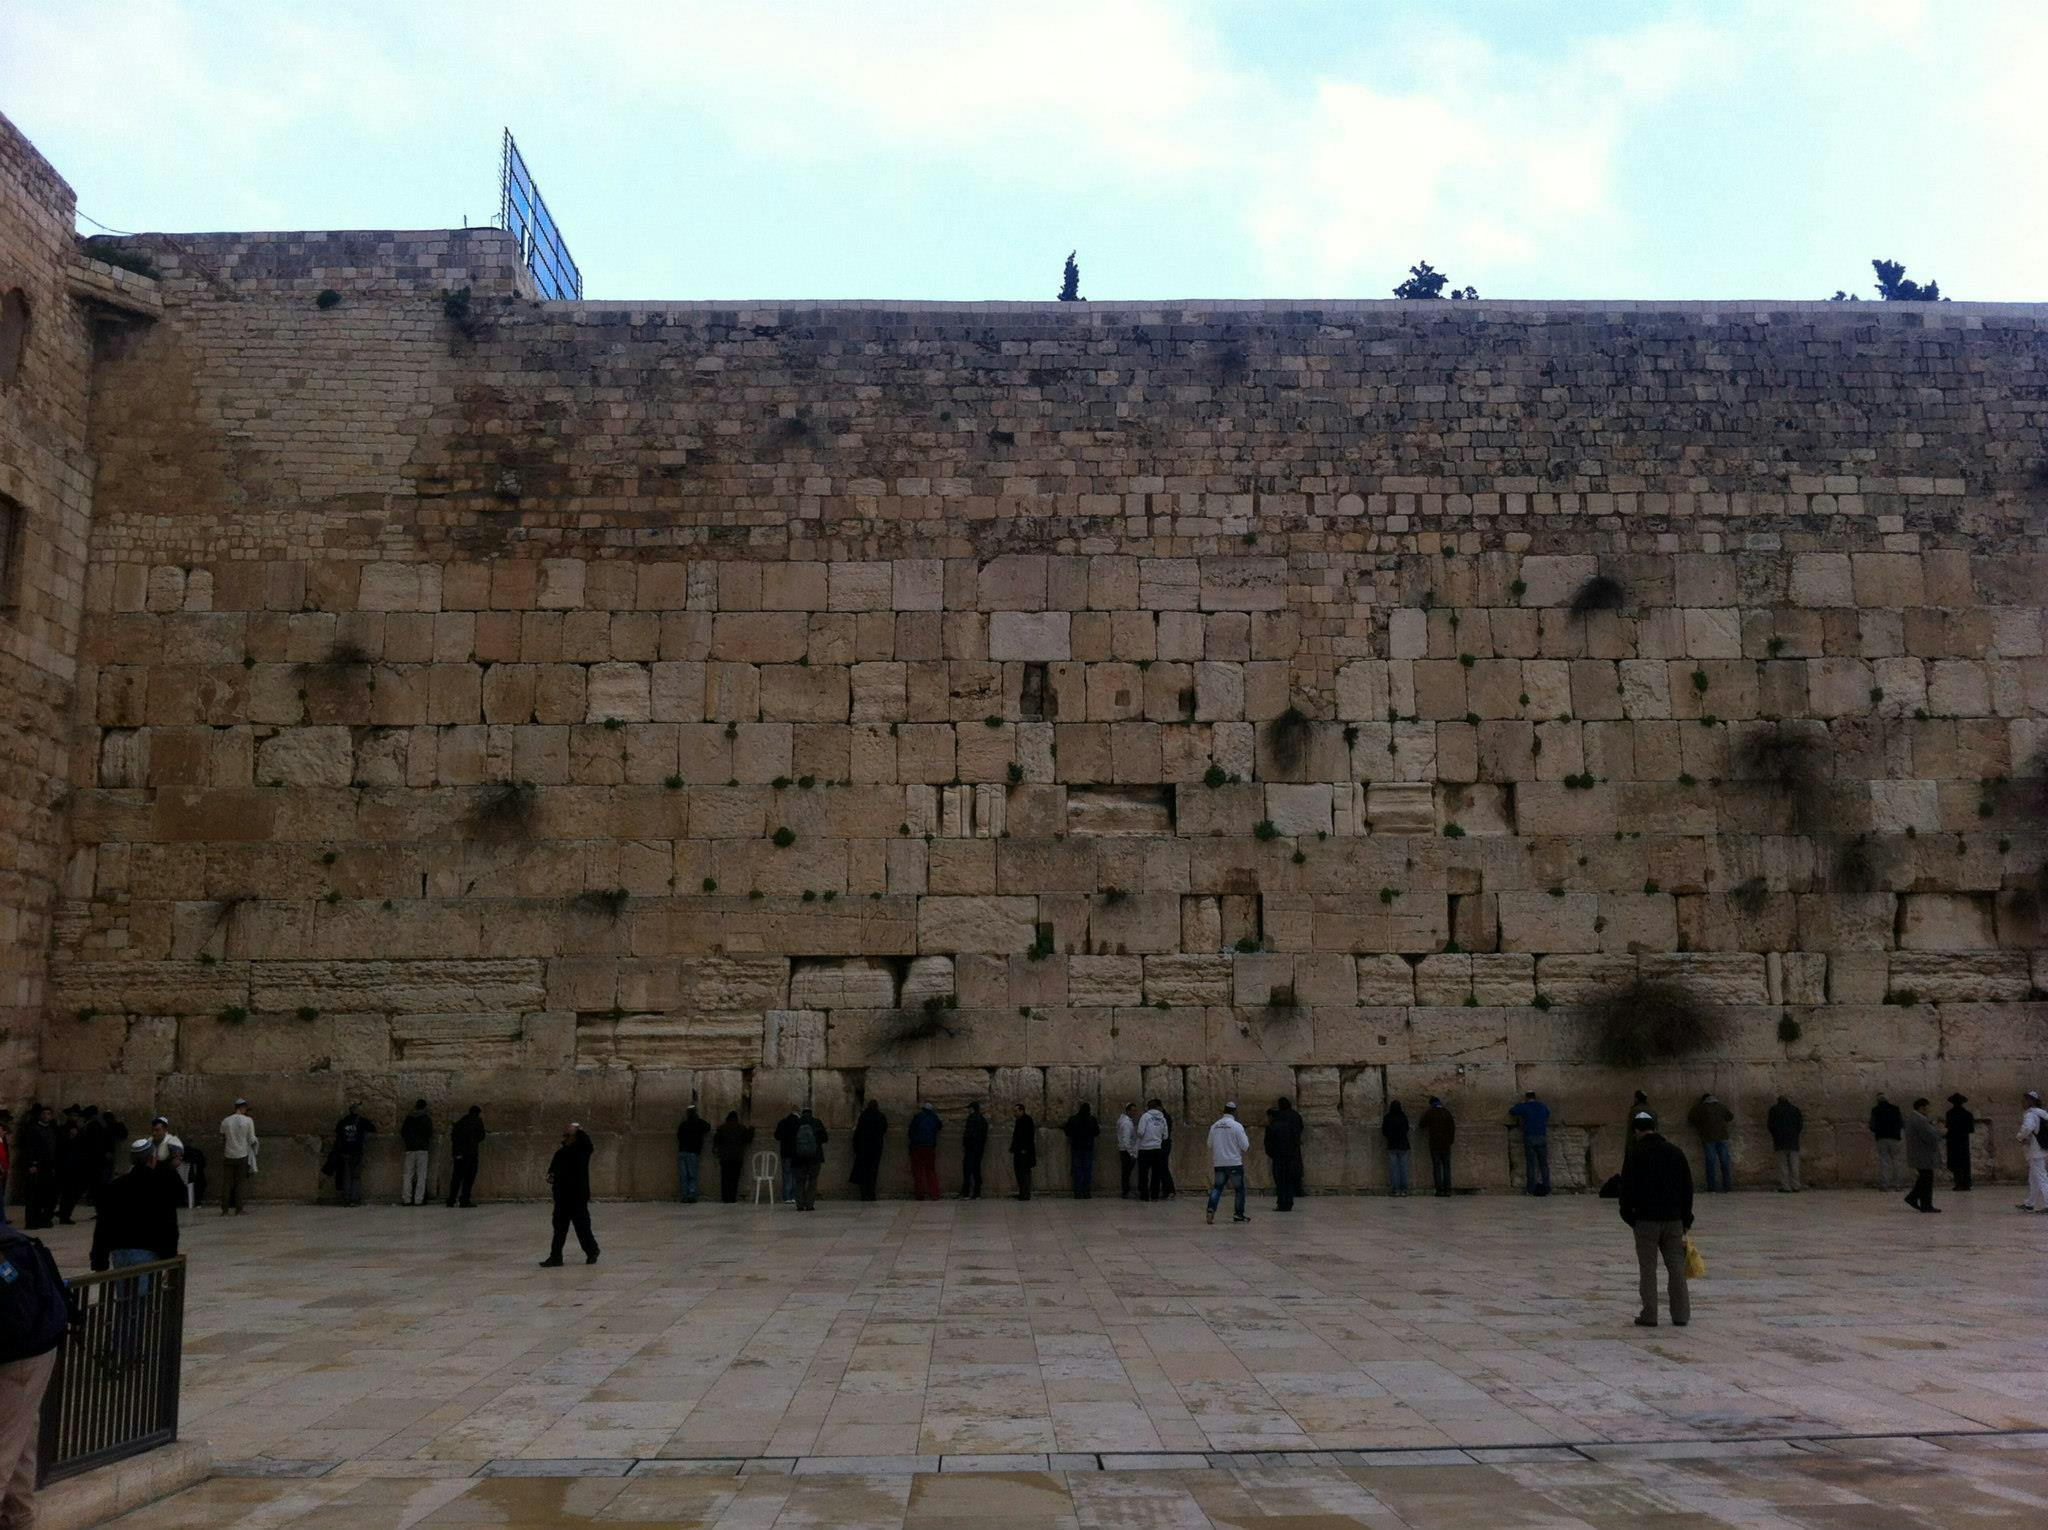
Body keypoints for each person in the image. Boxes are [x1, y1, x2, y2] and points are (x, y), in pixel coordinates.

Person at [0, 1216, 69, 1529]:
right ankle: (20, 1518)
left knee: (6, 1440)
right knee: (20, 1436)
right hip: (30, 1348)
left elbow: (17, 1319)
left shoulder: (6, 1252)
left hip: (22, 1354)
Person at [1619, 1112, 1694, 1328]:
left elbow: (1626, 1190)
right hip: (1673, 1220)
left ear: (1636, 1130)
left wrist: (1630, 1217)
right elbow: (1687, 1189)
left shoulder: (1635, 1154)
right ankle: (1681, 1315)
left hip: (1645, 1221)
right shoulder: (1675, 1152)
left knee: (1648, 1269)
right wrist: (1686, 1219)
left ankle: (1650, 1314)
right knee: (1677, 1268)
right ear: (1655, 1128)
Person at [91, 1139, 180, 1272]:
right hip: (148, 1250)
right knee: (145, 1292)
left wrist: (99, 1260)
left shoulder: (116, 1186)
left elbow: (103, 1223)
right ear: (151, 1159)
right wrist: (169, 1256)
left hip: (120, 1251)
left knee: (124, 1292)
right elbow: (168, 1222)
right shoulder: (160, 1186)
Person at [539, 1122, 599, 1266]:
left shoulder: (581, 1152)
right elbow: (552, 1171)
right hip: (562, 1197)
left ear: (576, 1137)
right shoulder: (561, 1153)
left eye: (568, 1135)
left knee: (582, 1227)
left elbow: (588, 1145)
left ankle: (592, 1251)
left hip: (577, 1196)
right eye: (564, 1135)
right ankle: (555, 1256)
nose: (564, 1138)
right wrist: (551, 1176)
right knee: (559, 1228)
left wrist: (579, 1130)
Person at [1205, 1102, 1251, 1225]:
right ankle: (1238, 1214)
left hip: (1219, 1163)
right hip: (1234, 1162)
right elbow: (1245, 1146)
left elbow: (1209, 1144)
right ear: (1234, 1112)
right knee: (1239, 1189)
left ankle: (1211, 1209)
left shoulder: (1214, 1126)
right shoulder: (1237, 1126)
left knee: (1217, 1188)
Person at [18, 1105, 57, 1230]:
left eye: (48, 1114)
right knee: (33, 1195)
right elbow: (29, 1147)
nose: (46, 1116)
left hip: (47, 1166)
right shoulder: (34, 1129)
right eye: (44, 1114)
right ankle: (31, 1221)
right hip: (37, 1165)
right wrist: (31, 1163)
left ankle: (42, 1219)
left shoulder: (51, 1130)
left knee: (44, 1195)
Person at [1687, 1092, 1734, 1192]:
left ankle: (1712, 1187)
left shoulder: (1700, 1108)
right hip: (1722, 1137)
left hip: (1708, 1138)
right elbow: (1730, 1117)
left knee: (1711, 1163)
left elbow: (1691, 1120)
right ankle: (1728, 1187)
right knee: (1725, 1162)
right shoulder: (1721, 1106)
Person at [1507, 1090, 1551, 1196]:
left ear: (1526, 1098)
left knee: (1531, 1164)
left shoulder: (1525, 1106)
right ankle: (1547, 1189)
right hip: (1541, 1136)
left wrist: (1521, 1103)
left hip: (1530, 1137)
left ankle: (1530, 1190)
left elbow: (1512, 1111)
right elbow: (1548, 1114)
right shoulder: (1543, 1106)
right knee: (1543, 1164)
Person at [219, 1098, 258, 1214]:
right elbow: (252, 1139)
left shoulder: (226, 1120)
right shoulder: (248, 1120)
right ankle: (239, 1209)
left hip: (228, 1154)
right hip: (242, 1154)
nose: (246, 1111)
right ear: (242, 1108)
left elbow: (223, 1137)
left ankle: (224, 1210)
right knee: (240, 1183)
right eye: (246, 1109)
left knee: (227, 1183)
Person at [330, 1103, 373, 1207]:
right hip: (357, 1151)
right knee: (355, 1177)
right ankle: (354, 1199)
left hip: (345, 1152)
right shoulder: (362, 1121)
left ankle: (346, 1198)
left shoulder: (343, 1121)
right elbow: (372, 1128)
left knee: (346, 1176)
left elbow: (338, 1134)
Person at [1266, 1097, 1305, 1211]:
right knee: (1290, 1178)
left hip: (1278, 1156)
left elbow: (1269, 1144)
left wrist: (1273, 1155)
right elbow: (1300, 1129)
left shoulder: (1274, 1125)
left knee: (1280, 1180)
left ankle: (1282, 1202)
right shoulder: (1295, 1117)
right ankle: (1291, 1199)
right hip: (1292, 1153)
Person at [1902, 1098, 1941, 1213]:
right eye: (1927, 1107)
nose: (1929, 1110)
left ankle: (1915, 1199)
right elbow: (1929, 1136)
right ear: (1921, 1108)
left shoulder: (1914, 1119)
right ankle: (1923, 1203)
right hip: (1923, 1153)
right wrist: (1940, 1133)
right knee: (1926, 1179)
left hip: (1918, 1153)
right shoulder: (1919, 1120)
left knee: (1924, 1178)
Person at [789, 1108, 827, 1211]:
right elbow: (825, 1138)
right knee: (813, 1181)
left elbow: (790, 1140)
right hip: (815, 1158)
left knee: (799, 1182)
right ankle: (810, 1205)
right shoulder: (817, 1123)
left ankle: (800, 1205)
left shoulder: (796, 1123)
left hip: (798, 1159)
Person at [55, 1108, 89, 1225]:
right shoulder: (63, 1130)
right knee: (64, 1192)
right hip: (65, 1165)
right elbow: (59, 1146)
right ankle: (61, 1214)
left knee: (71, 1193)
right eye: (72, 1115)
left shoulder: (80, 1130)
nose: (74, 1118)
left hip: (76, 1165)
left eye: (76, 1115)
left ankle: (66, 1214)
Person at [447, 1106, 485, 1208]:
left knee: (456, 1177)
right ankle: (464, 1199)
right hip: (471, 1154)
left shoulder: (460, 1123)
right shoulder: (477, 1122)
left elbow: (453, 1137)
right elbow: (482, 1136)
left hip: (459, 1154)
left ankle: (451, 1199)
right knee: (469, 1178)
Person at [848, 1101, 887, 1201]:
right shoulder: (880, 1116)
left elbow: (858, 1132)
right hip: (876, 1149)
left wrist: (856, 1147)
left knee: (863, 1172)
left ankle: (864, 1195)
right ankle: (872, 1194)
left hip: (863, 1149)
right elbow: (884, 1129)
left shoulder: (863, 1116)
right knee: (873, 1172)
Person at [711, 1111, 753, 1203]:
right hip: (737, 1158)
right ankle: (732, 1198)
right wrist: (751, 1130)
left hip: (725, 1158)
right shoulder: (741, 1128)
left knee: (725, 1178)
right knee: (734, 1179)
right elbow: (748, 1139)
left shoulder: (722, 1128)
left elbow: (716, 1141)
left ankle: (725, 1198)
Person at [2018, 1090, 2048, 1213]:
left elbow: (2028, 1127)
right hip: (2042, 1147)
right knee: (2034, 1177)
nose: (2022, 1102)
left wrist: (2020, 1136)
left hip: (2035, 1149)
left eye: (2024, 1100)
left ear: (2030, 1101)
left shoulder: (2030, 1114)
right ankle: (2030, 1203)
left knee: (2041, 1176)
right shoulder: (2043, 1113)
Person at [1418, 1097, 1456, 1196]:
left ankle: (1439, 1190)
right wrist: (1450, 1141)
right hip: (1446, 1145)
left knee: (1437, 1168)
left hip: (1435, 1145)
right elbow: (1452, 1128)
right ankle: (1447, 1190)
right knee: (1447, 1168)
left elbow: (1421, 1125)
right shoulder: (1446, 1112)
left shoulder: (1430, 1113)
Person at [1766, 1095, 1803, 1192]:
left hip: (1780, 1141)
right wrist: (1795, 1134)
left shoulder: (1774, 1110)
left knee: (1783, 1166)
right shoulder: (1795, 1110)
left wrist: (1775, 1135)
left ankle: (1786, 1187)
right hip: (1793, 1141)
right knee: (1794, 1165)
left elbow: (1770, 1125)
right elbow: (1800, 1124)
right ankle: (1796, 1186)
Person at [1135, 1099, 1169, 1201]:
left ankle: (1144, 1195)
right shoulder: (1162, 1118)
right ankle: (1154, 1195)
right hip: (1157, 1149)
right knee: (1156, 1174)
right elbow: (1165, 1136)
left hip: (1145, 1149)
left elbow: (1140, 1132)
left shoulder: (1145, 1117)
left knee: (1143, 1173)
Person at [1062, 1103, 1099, 1198]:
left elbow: (1067, 1131)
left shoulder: (1073, 1119)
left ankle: (1078, 1192)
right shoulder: (1092, 1120)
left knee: (1077, 1170)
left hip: (1076, 1147)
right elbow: (1096, 1132)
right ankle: (1086, 1192)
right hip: (1088, 1148)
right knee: (1087, 1170)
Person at [908, 1102, 942, 1201]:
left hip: (917, 1147)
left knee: (918, 1171)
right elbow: (939, 1126)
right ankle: (934, 1194)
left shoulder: (918, 1117)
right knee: (930, 1171)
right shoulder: (934, 1118)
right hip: (930, 1147)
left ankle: (920, 1195)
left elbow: (911, 1131)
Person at [675, 1104, 709, 1204]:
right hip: (692, 1152)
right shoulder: (699, 1123)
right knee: (692, 1175)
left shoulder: (683, 1124)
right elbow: (708, 1127)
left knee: (683, 1175)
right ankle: (692, 1195)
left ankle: (685, 1195)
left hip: (682, 1152)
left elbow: (679, 1136)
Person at [1870, 1094, 1904, 1191]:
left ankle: (1885, 1185)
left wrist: (1878, 1131)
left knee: (1884, 1161)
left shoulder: (1875, 1110)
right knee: (1897, 1160)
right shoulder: (1895, 1109)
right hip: (1895, 1138)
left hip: (1881, 1138)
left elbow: (1872, 1125)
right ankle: (1898, 1185)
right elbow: (1901, 1122)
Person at [1943, 1093, 1975, 1192]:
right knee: (1965, 1162)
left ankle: (1958, 1183)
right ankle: (1967, 1183)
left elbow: (1948, 1127)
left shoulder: (1949, 1113)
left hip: (1953, 1141)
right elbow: (1971, 1129)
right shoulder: (1968, 1114)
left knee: (1955, 1163)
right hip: (1964, 1141)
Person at [1381, 1099, 1411, 1196]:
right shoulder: (1403, 1117)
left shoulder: (1388, 1117)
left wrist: (1390, 1137)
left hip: (1392, 1145)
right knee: (1404, 1168)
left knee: (1394, 1169)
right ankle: (1404, 1190)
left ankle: (1396, 1189)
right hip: (1403, 1145)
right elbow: (1406, 1128)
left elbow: (1384, 1130)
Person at [772, 1109, 801, 1205]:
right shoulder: (799, 1123)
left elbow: (777, 1136)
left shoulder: (783, 1122)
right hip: (796, 1153)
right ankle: (794, 1196)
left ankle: (787, 1197)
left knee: (786, 1174)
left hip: (785, 1152)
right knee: (795, 1175)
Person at [960, 1101, 988, 1199]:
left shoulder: (971, 1119)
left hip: (971, 1148)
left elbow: (968, 1135)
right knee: (976, 1170)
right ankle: (977, 1193)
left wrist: (966, 1145)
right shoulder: (983, 1120)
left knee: (967, 1171)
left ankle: (966, 1193)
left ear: (972, 1109)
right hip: (979, 1149)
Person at [1010, 1104, 1037, 1200]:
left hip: (1024, 1152)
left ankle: (1025, 1194)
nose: (1014, 1113)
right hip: (1019, 1151)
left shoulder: (1027, 1120)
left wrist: (1024, 1149)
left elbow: (1028, 1136)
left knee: (1024, 1173)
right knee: (1019, 1173)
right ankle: (1023, 1192)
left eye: (1016, 1111)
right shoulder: (1020, 1120)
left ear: (1022, 1111)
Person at [1116, 1102, 1138, 1198]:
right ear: (1128, 1110)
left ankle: (1126, 1191)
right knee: (1126, 1173)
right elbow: (1126, 1140)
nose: (1134, 1113)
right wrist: (1132, 1153)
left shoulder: (1123, 1120)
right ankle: (1126, 1192)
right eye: (1133, 1110)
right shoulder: (1126, 1123)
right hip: (1127, 1151)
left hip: (1124, 1150)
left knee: (1126, 1173)